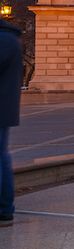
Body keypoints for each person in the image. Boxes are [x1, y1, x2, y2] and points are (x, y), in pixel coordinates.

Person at [0, 17, 23, 222]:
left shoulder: (3, 40)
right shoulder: (9, 39)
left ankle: (5, 207)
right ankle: (5, 207)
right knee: (2, 156)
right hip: (5, 107)